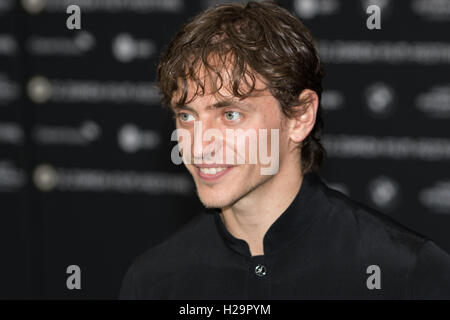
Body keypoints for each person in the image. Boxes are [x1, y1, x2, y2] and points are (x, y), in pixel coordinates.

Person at [119, 1, 450, 299]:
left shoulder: (404, 272)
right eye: (187, 116)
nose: (198, 143)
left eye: (230, 114)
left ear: (301, 116)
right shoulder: (153, 281)